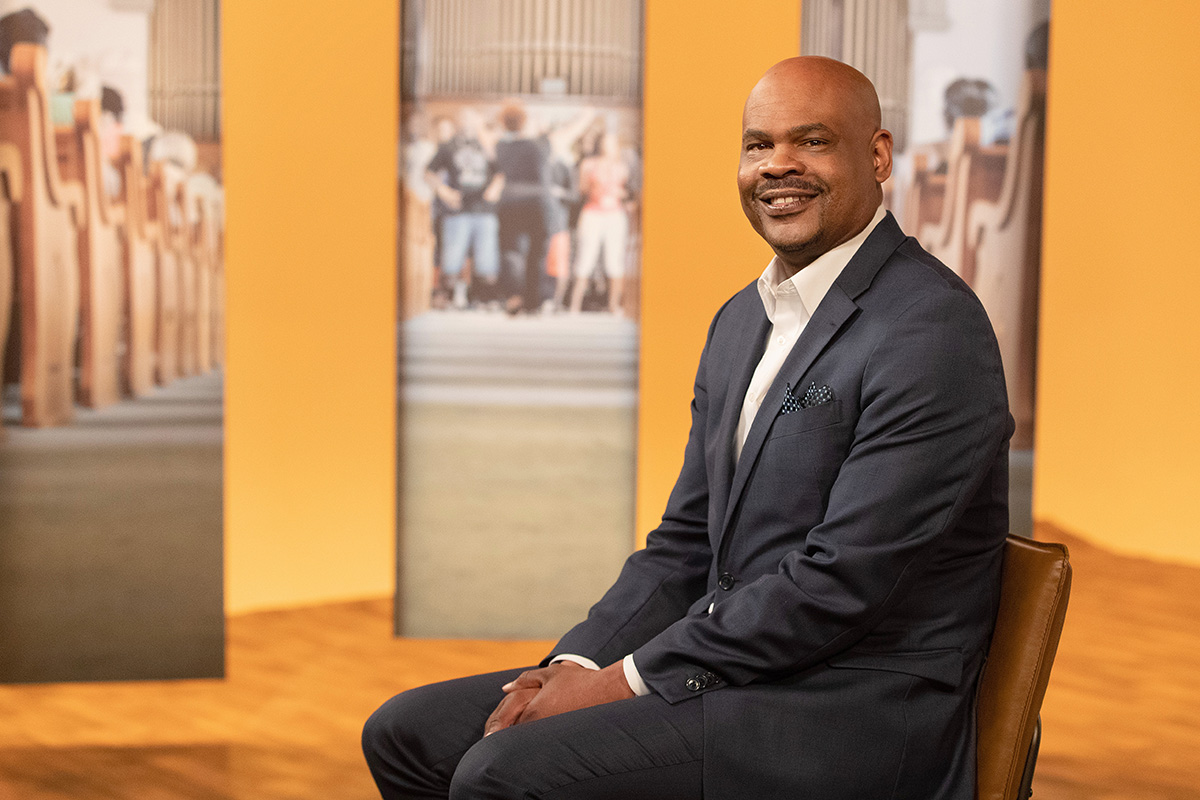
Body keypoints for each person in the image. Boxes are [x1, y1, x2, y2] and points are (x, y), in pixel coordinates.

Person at [363, 56, 1012, 800]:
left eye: (813, 141)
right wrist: (580, 665)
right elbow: (684, 542)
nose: (779, 166)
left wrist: (626, 682)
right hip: (743, 669)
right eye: (758, 145)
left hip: (848, 712)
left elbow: (841, 583)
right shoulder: (741, 320)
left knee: (504, 775)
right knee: (408, 733)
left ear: (878, 155)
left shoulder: (930, 329)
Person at [425, 109, 504, 309]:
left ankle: (485, 299)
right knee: (452, 258)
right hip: (457, 210)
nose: (468, 122)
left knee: (487, 259)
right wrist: (443, 191)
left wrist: (496, 186)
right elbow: (428, 173)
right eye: (464, 118)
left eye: (472, 118)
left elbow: (502, 171)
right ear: (458, 122)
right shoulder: (449, 146)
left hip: (484, 210)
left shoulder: (487, 145)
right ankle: (447, 298)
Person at [569, 131, 632, 315]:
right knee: (585, 258)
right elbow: (582, 189)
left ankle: (614, 305)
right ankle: (574, 305)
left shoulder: (622, 166)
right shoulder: (588, 165)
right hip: (593, 213)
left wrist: (620, 194)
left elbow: (629, 190)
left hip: (615, 214)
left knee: (615, 261)